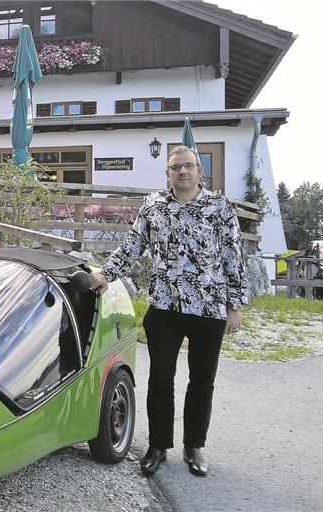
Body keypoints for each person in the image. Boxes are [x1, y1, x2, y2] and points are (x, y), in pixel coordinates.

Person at [90, 145, 248, 477]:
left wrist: (234, 306)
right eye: (176, 167)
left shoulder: (219, 207)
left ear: (199, 171)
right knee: (161, 378)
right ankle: (158, 446)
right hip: (164, 305)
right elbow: (133, 244)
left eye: (189, 166)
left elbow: (234, 257)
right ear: (167, 173)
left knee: (202, 381)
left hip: (208, 307)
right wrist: (107, 274)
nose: (183, 172)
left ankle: (195, 446)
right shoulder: (154, 206)